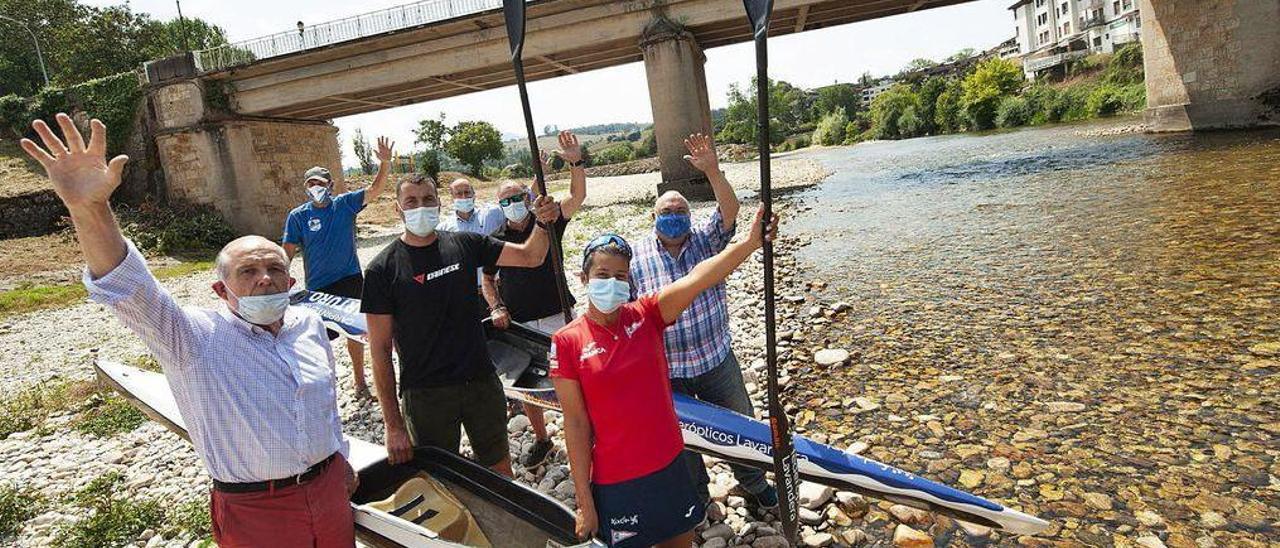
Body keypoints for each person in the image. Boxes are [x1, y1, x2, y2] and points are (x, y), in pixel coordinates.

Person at [20, 114, 357, 546]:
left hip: (328, 491)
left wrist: (340, 458)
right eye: (248, 271)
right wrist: (90, 209)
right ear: (221, 288)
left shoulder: (308, 324)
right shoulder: (192, 338)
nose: (265, 279)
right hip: (257, 509)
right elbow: (128, 286)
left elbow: (325, 403)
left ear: (292, 283)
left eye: (276, 269)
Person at [551, 207, 779, 547]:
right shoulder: (567, 341)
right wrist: (585, 501)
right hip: (617, 481)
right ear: (584, 279)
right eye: (602, 274)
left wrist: (750, 242)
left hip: (670, 467)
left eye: (621, 276)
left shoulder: (647, 315)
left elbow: (700, 277)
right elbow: (576, 424)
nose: (612, 283)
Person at [362, 174, 562, 477]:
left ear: (439, 203)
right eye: (411, 202)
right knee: (441, 479)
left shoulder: (465, 243)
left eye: (428, 200)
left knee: (500, 470)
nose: (421, 207)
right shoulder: (381, 269)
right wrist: (393, 425)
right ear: (398, 209)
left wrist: (544, 223)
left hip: (481, 381)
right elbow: (379, 350)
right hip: (426, 393)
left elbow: (531, 256)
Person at [629, 133, 780, 511]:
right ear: (653, 217)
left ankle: (754, 484)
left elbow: (729, 212)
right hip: (668, 370)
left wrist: (713, 171)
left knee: (740, 427)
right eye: (667, 211)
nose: (674, 217)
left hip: (716, 360)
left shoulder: (705, 241)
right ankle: (696, 497)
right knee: (682, 440)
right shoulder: (634, 257)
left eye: (681, 211)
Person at [482, 130, 587, 468]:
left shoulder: (549, 219)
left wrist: (575, 162)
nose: (512, 204)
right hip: (521, 324)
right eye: (505, 200)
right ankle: (543, 438)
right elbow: (487, 279)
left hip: (559, 314)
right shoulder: (495, 239)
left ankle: (587, 432)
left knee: (576, 377)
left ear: (526, 198)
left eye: (516, 197)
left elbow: (577, 196)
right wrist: (496, 305)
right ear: (499, 206)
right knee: (529, 386)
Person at [282, 137, 394, 399]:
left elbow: (375, 190)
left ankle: (359, 383)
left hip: (351, 279)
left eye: (320, 183)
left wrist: (385, 163)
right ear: (305, 188)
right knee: (320, 339)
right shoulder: (298, 216)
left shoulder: (345, 204)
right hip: (318, 287)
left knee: (355, 334)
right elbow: (287, 251)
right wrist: (279, 279)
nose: (316, 188)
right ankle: (323, 388)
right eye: (311, 184)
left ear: (330, 186)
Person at [438, 178, 505, 235]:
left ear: (474, 195)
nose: (464, 197)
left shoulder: (492, 215)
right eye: (459, 193)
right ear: (452, 198)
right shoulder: (444, 228)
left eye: (467, 192)